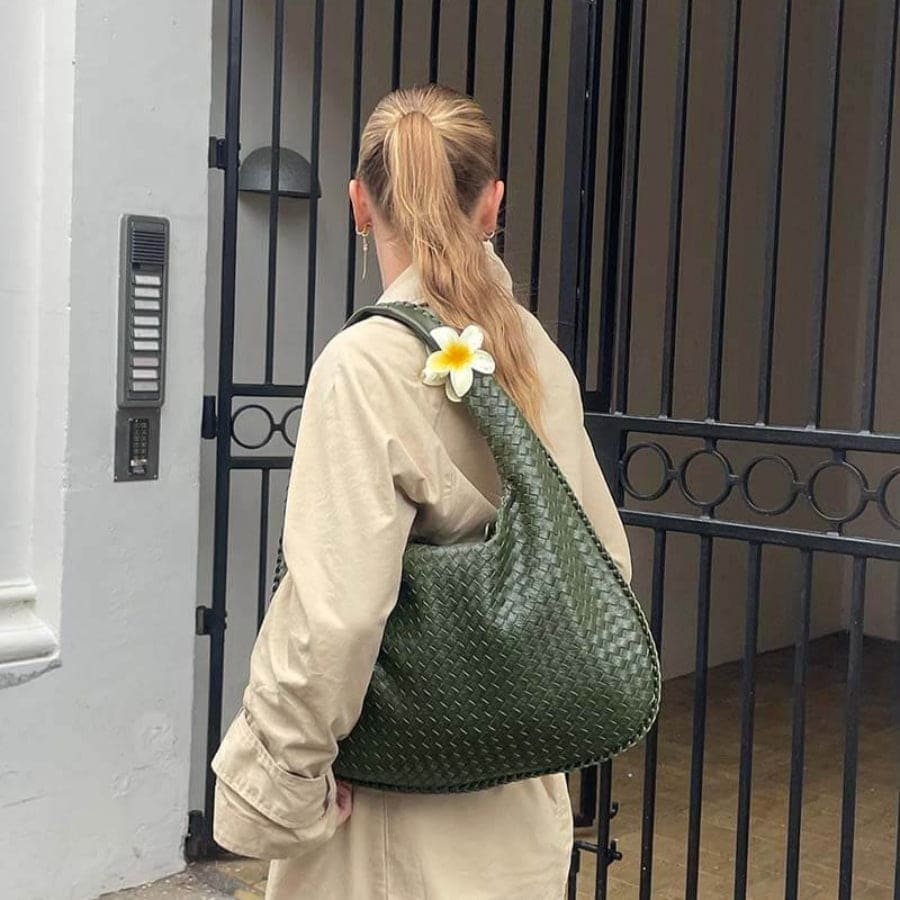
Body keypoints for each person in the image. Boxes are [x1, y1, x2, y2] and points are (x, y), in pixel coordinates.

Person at [211, 84, 631, 900]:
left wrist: (284, 788)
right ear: (492, 205)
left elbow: (334, 615)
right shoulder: (532, 352)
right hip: (515, 799)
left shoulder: (365, 364)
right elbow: (600, 563)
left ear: (360, 205)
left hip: (386, 817)